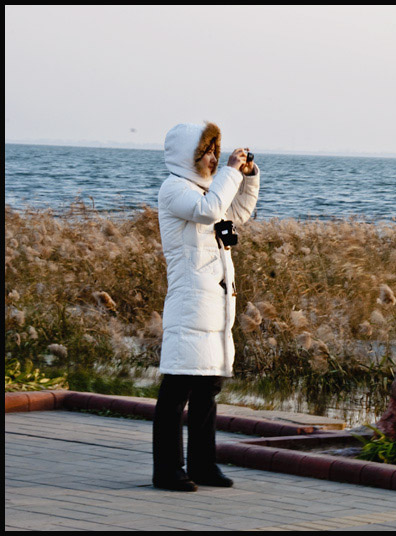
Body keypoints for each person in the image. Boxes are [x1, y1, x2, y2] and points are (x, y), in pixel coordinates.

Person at [152, 122, 259, 491]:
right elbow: (211, 211)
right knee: (176, 389)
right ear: (189, 156)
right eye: (207, 154)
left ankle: (203, 465)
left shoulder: (204, 191)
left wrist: (247, 177)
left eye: (217, 153)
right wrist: (229, 171)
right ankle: (167, 470)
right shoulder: (174, 189)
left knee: (207, 389)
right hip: (189, 303)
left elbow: (236, 215)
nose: (214, 159)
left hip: (214, 304)